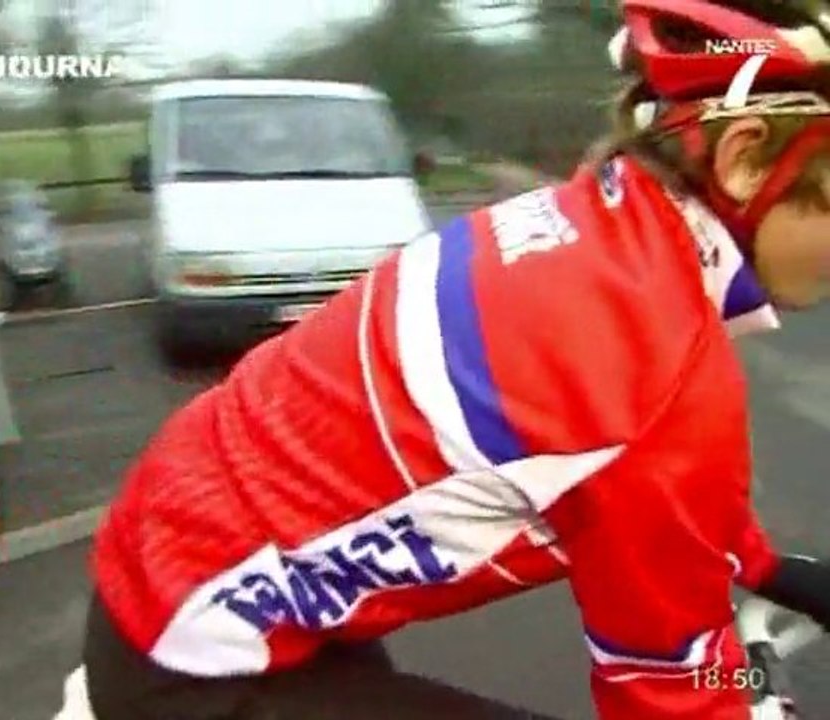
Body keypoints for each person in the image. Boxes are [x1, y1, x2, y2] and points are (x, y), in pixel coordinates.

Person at [58, 1, 830, 718]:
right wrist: (739, 682)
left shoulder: (591, 217)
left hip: (195, 558)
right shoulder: (654, 371)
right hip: (199, 654)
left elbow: (650, 505)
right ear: (744, 157)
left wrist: (763, 569)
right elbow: (670, 686)